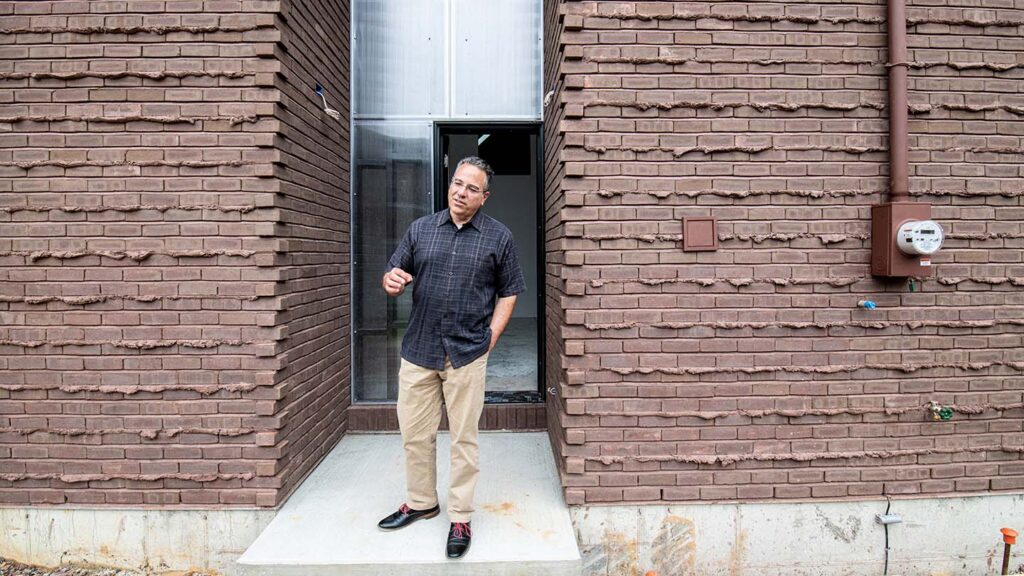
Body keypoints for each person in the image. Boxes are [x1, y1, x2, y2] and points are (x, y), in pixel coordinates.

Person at [376, 156, 525, 559]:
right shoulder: (420, 229)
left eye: (472, 188)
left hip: (466, 353)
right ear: (450, 184)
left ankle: (460, 516)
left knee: (463, 439)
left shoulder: (499, 237)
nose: (461, 192)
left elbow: (510, 291)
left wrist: (491, 337)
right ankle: (421, 502)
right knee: (415, 435)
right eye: (457, 183)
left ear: (484, 197)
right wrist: (391, 281)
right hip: (419, 350)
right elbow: (393, 272)